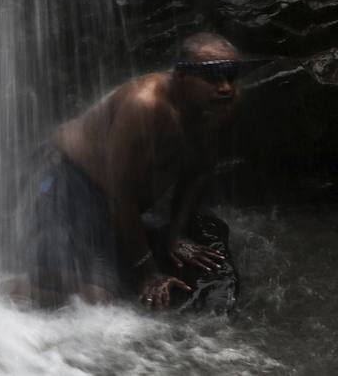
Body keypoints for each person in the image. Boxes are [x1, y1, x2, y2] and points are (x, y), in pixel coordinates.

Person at [20, 33, 246, 309]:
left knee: (106, 291)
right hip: (65, 178)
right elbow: (121, 197)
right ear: (180, 77)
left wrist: (177, 234)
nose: (225, 87)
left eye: (231, 76)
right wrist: (148, 273)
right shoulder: (145, 106)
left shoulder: (223, 106)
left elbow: (198, 172)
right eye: (211, 78)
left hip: (110, 200)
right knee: (94, 301)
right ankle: (0, 292)